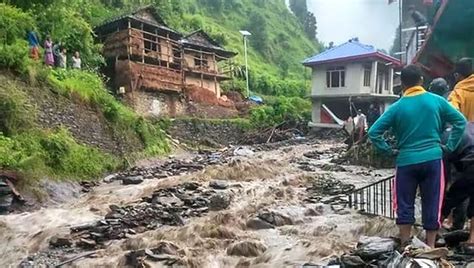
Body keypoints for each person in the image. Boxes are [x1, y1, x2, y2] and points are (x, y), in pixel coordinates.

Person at [368, 65, 466, 248]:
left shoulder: (396, 107)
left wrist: (388, 150)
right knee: (432, 203)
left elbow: (374, 132)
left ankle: (406, 246)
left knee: (404, 204)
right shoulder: (436, 101)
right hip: (433, 160)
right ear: (421, 80)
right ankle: (430, 247)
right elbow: (460, 121)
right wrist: (449, 146)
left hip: (406, 162)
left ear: (403, 84)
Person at [429, 78, 469, 231]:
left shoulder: (438, 101)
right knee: (463, 186)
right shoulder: (457, 94)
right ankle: (458, 224)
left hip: (449, 143)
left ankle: (440, 222)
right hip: (466, 139)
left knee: (444, 185)